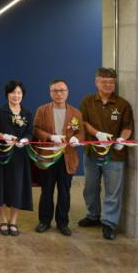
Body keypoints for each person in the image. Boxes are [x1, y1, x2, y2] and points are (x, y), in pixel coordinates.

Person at [78, 67, 134, 240]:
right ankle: (92, 215)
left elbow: (127, 127)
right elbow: (83, 122)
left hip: (115, 156)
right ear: (96, 82)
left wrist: (122, 140)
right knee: (90, 187)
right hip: (92, 152)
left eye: (111, 82)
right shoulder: (87, 101)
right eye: (104, 82)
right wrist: (97, 134)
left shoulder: (123, 104)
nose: (108, 85)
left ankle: (109, 223)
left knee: (113, 190)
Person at [33, 79, 85, 236]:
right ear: (50, 93)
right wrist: (50, 137)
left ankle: (63, 223)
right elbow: (36, 129)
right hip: (48, 156)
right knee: (46, 190)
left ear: (67, 92)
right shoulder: (42, 110)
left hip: (67, 157)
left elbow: (81, 132)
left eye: (62, 90)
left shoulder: (76, 113)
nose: (59, 94)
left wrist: (76, 138)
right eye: (55, 91)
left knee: (64, 191)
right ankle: (44, 221)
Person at [0, 80, 34, 236]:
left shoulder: (27, 113)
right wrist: (4, 136)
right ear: (7, 94)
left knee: (18, 187)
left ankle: (13, 221)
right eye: (13, 92)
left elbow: (30, 132)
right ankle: (3, 220)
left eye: (19, 93)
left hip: (20, 156)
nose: (16, 95)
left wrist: (25, 139)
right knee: (1, 186)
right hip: (2, 154)